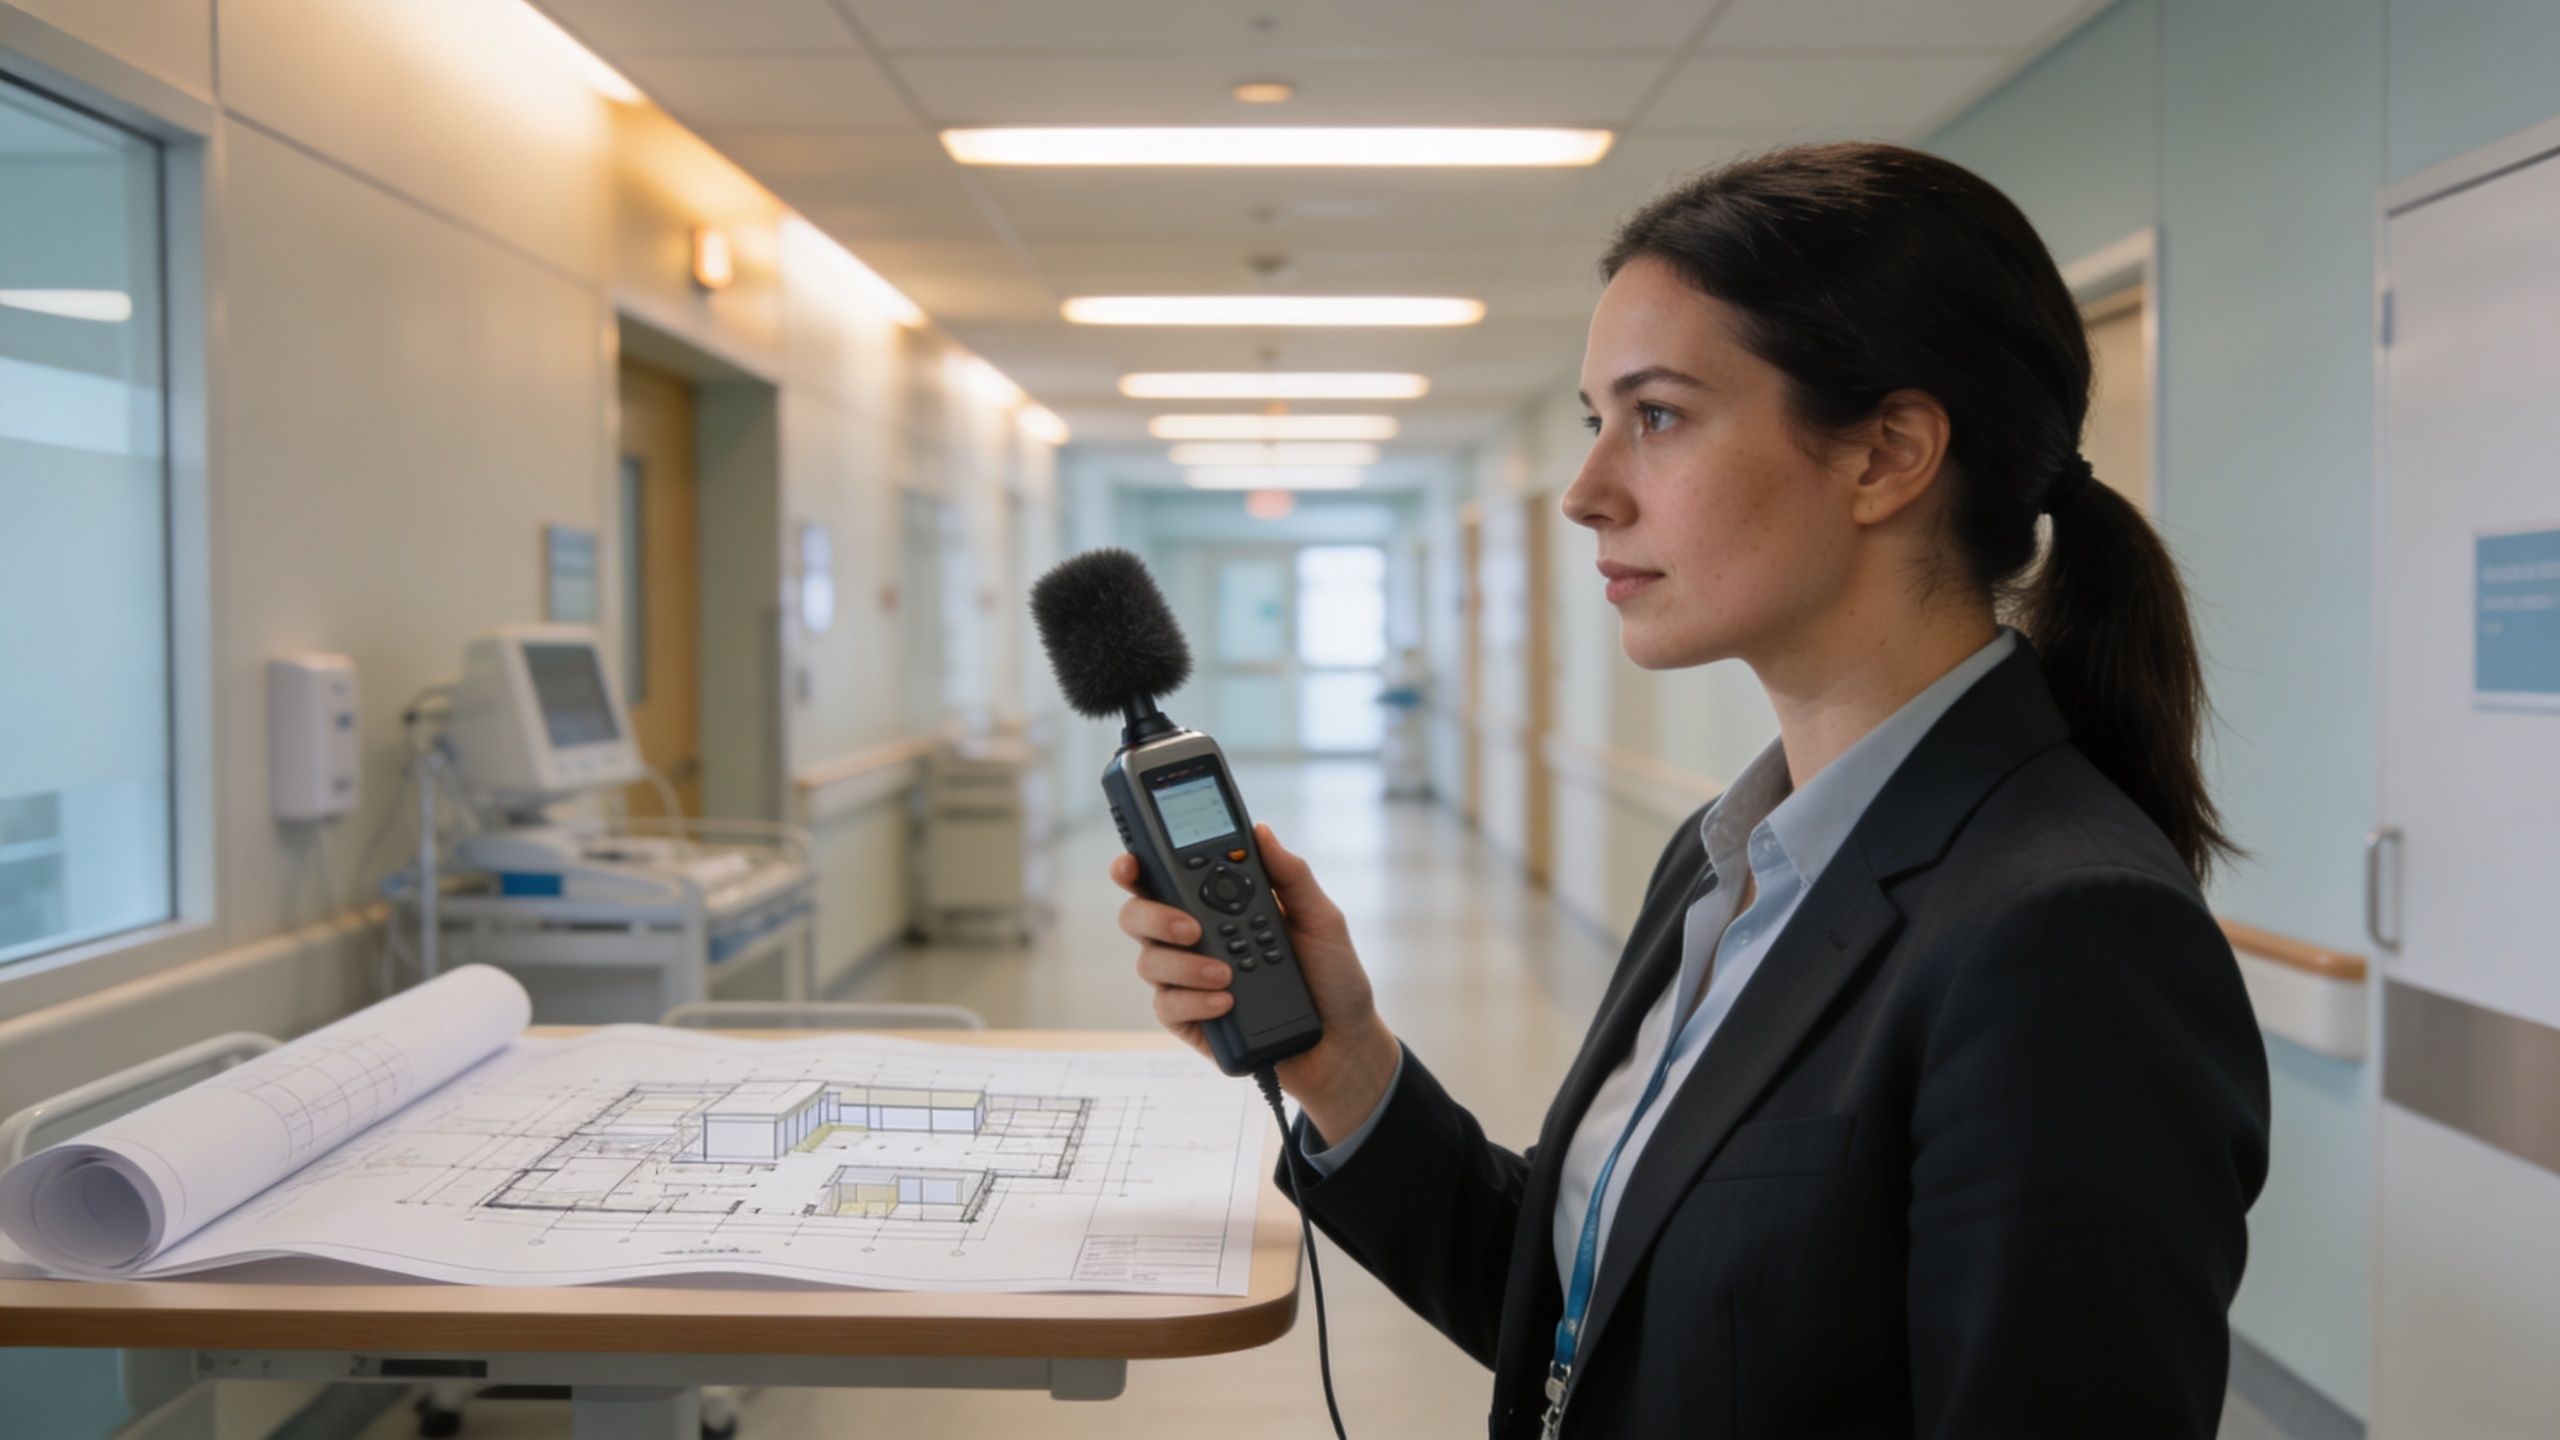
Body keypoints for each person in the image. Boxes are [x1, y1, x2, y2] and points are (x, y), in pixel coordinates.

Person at [1114, 141, 2270, 1439]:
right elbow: (1598, 1332)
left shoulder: (2065, 939)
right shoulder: (1728, 859)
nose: (1586, 492)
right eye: (1593, 421)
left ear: (1886, 455)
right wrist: (1345, 1067)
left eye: (1655, 417)